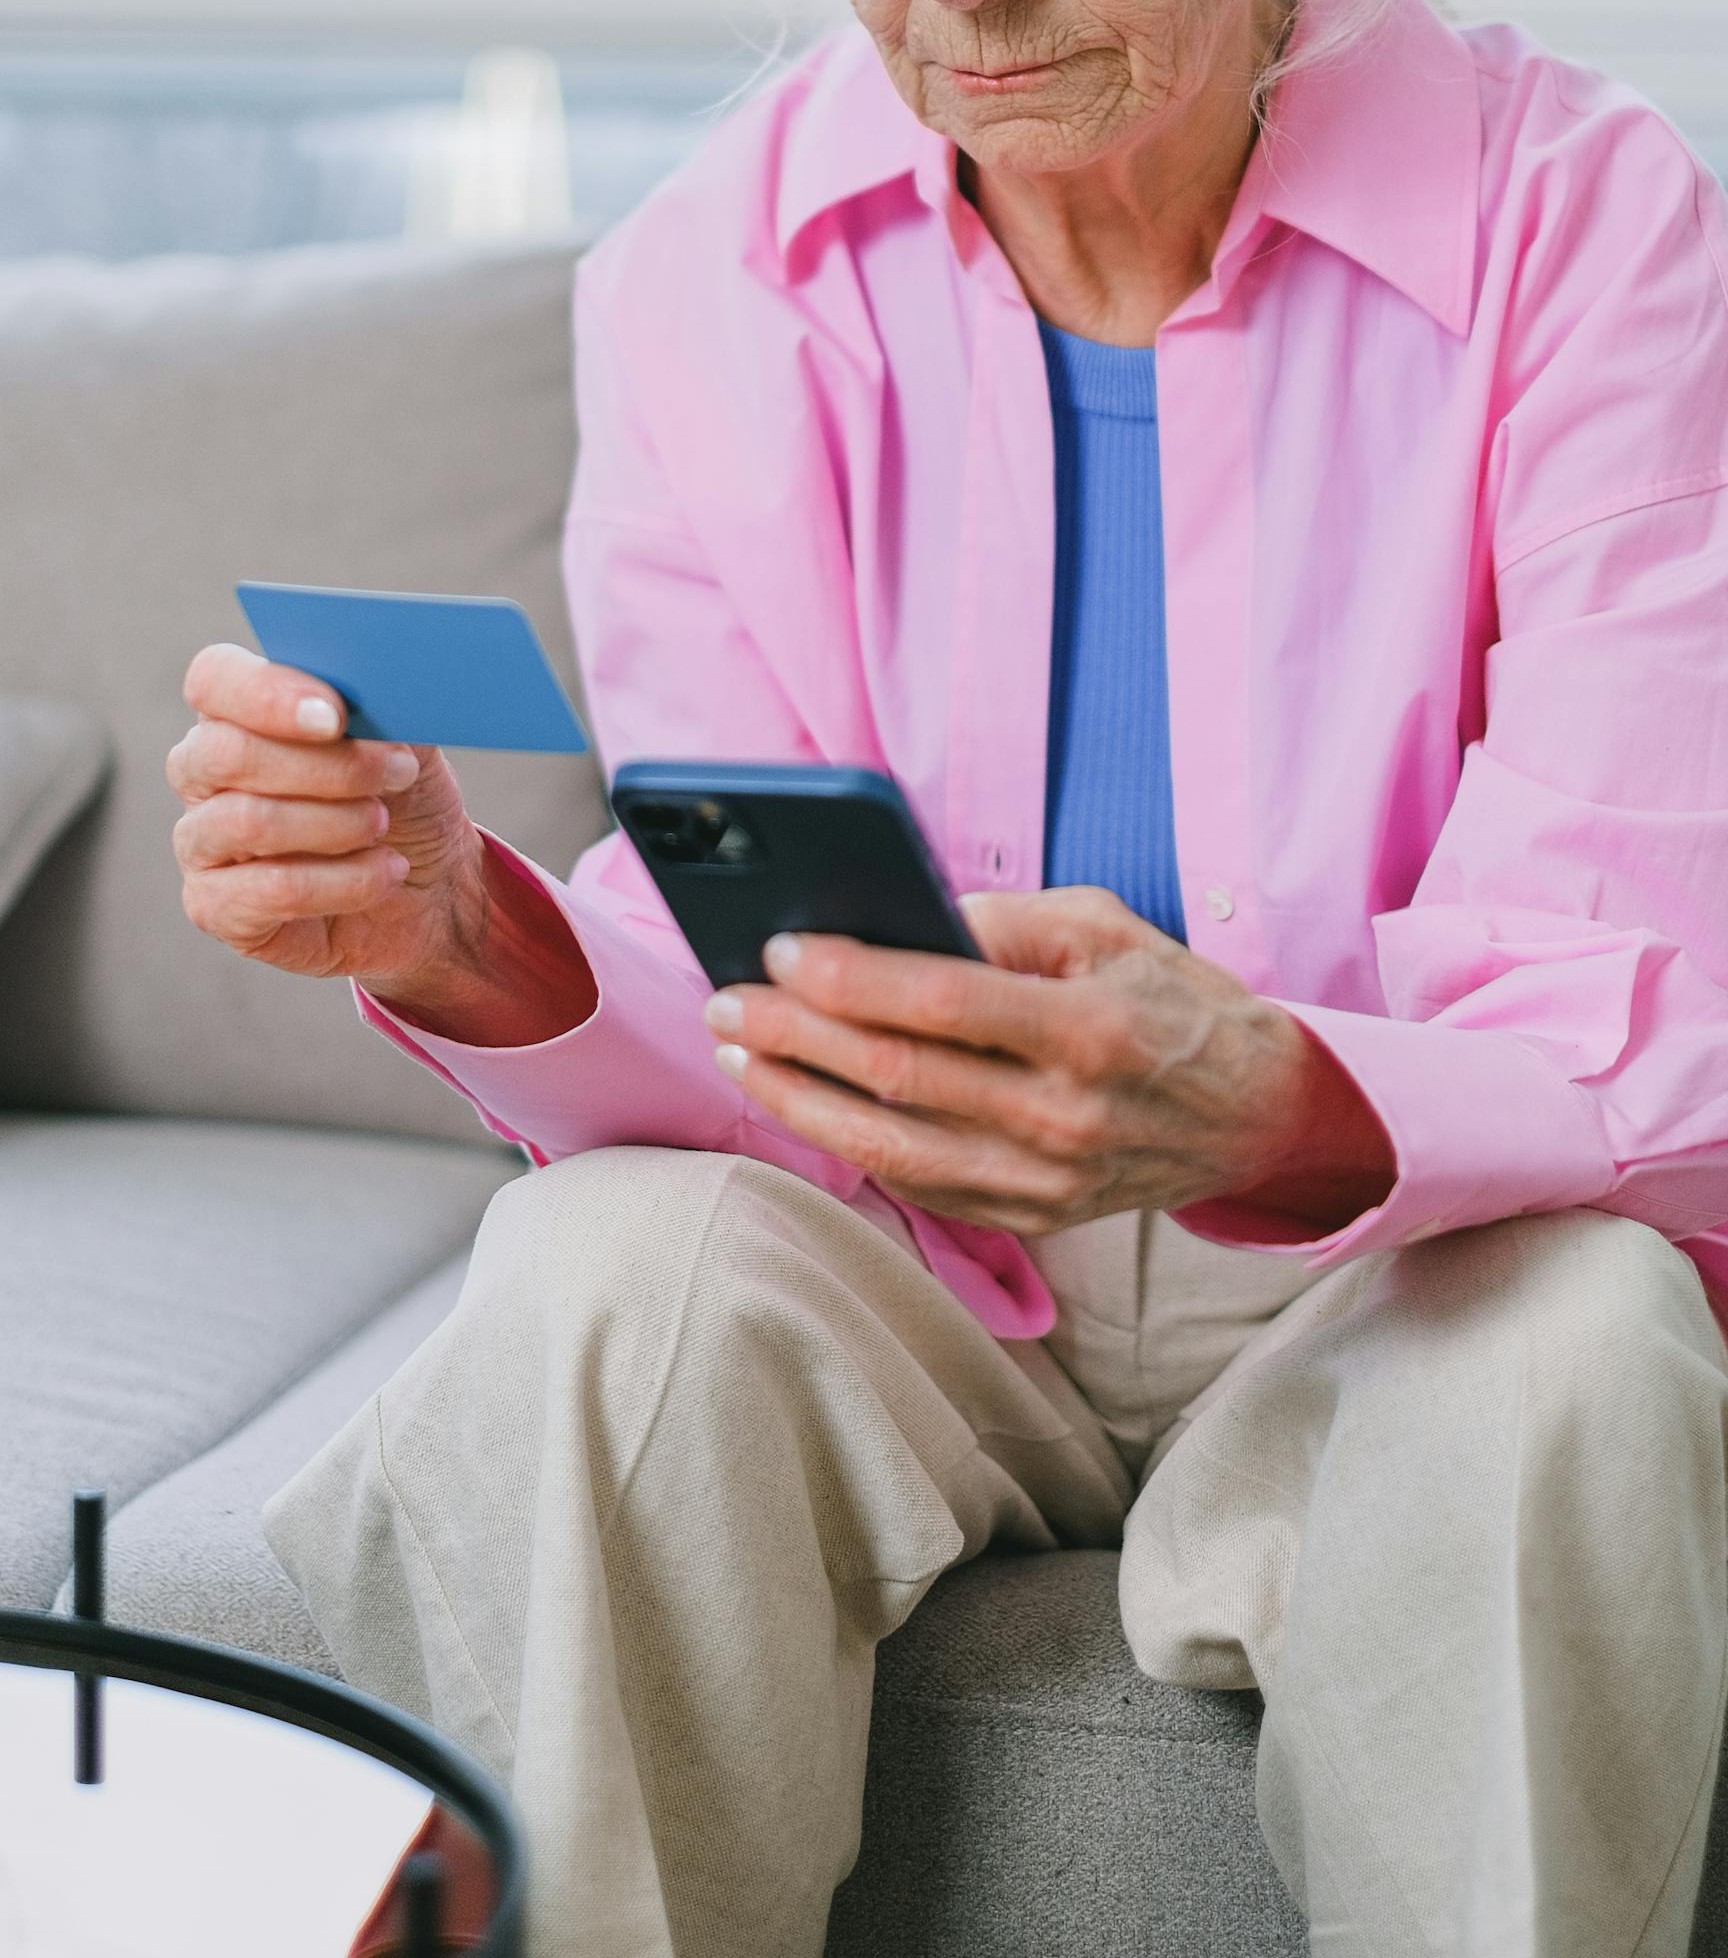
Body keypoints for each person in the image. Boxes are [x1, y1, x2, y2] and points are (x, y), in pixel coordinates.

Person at [166, 0, 1728, 1950]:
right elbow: (746, 986)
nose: (965, 10)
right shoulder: (703, 270)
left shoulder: (1586, 216)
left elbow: (1640, 994)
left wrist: (1266, 1100)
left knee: (1580, 1349)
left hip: (1404, 1248)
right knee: (593, 1291)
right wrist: (461, 929)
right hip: (913, 1250)